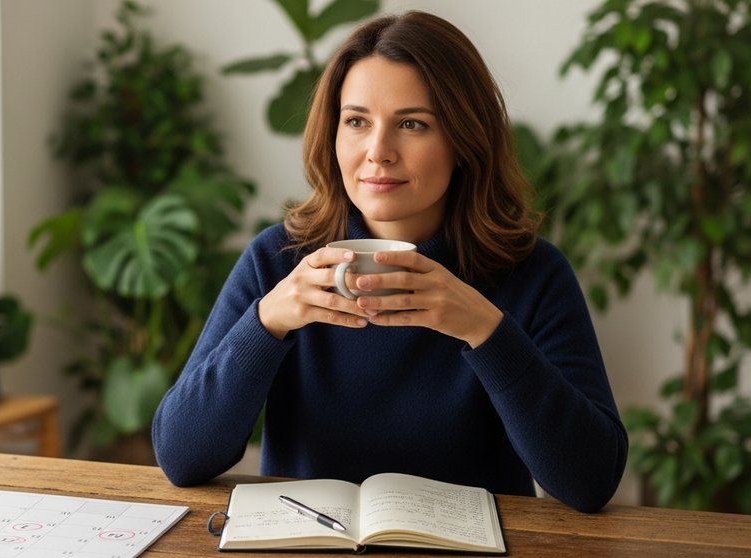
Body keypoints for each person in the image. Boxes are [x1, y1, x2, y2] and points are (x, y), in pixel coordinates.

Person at [151, 10, 627, 513]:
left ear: (464, 140)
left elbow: (590, 481)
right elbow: (181, 458)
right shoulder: (278, 262)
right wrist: (268, 322)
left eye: (412, 124)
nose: (378, 152)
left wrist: (485, 329)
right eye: (356, 121)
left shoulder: (533, 274)